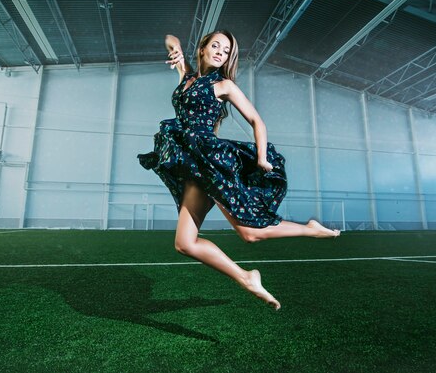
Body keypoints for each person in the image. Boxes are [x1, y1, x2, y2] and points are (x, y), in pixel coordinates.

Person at [138, 30, 340, 310]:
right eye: (216, 45)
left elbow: (258, 122)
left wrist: (261, 158)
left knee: (250, 233)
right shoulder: (186, 76)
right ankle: (247, 277)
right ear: (203, 48)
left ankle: (308, 230)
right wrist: (174, 48)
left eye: (226, 50)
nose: (221, 52)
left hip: (211, 162)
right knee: (186, 243)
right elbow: (171, 37)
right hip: (191, 161)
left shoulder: (224, 86)